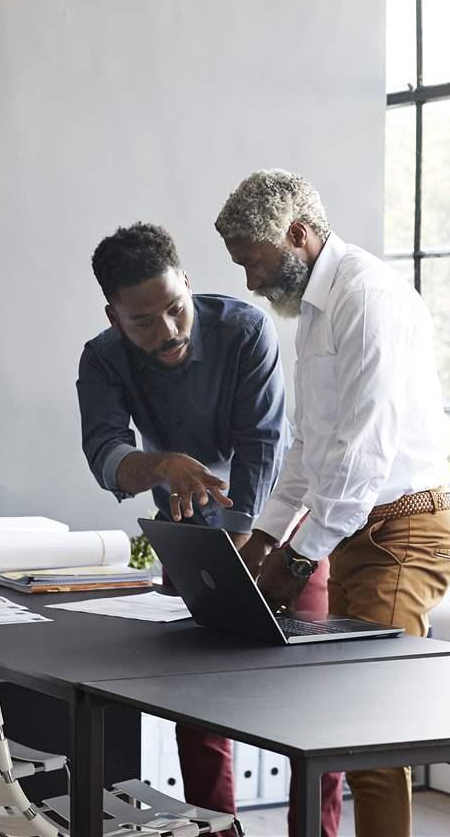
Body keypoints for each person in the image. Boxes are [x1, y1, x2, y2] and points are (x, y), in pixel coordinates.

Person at [76, 222, 344, 837]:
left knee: (312, 702)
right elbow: (105, 453)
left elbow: (264, 445)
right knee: (198, 709)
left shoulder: (244, 328)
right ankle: (214, 834)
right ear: (114, 317)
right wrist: (160, 465)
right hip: (191, 536)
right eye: (143, 321)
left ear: (188, 284)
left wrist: (249, 541)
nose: (167, 330)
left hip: (283, 533)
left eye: (175, 308)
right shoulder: (101, 358)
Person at [214, 170, 450, 835]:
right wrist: (262, 537)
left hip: (404, 532)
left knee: (370, 737)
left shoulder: (367, 297)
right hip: (356, 532)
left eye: (256, 262)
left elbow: (363, 455)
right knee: (341, 730)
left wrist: (294, 563)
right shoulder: (313, 312)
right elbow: (310, 448)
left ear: (296, 235)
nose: (250, 283)